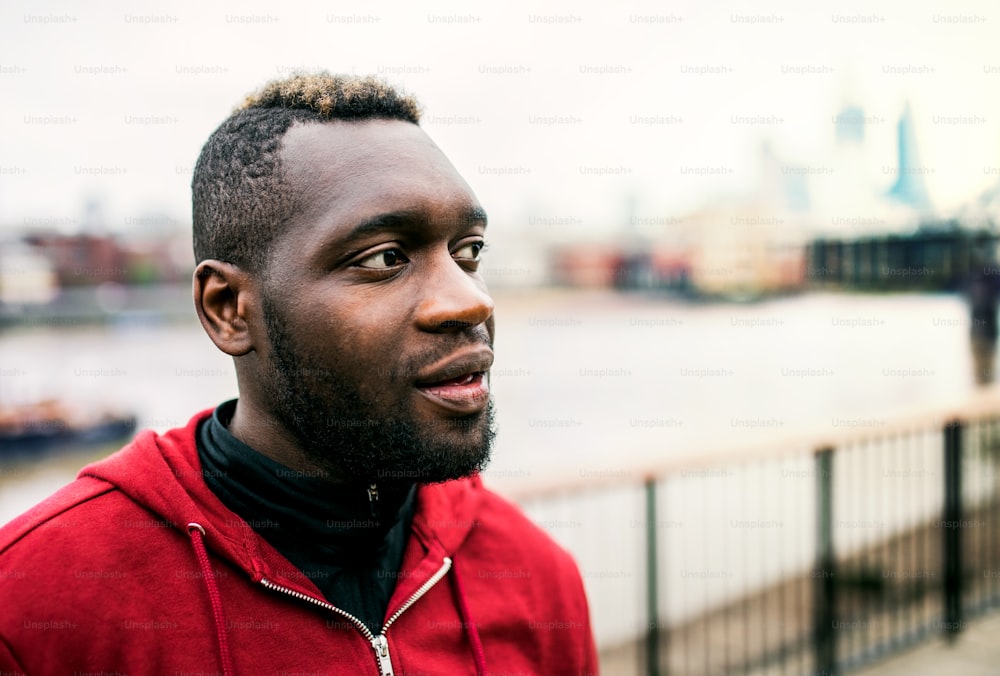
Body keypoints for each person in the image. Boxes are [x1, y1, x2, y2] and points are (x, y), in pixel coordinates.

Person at [0, 73, 598, 675]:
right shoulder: (37, 604)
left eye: (469, 252)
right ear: (229, 308)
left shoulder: (537, 578)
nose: (470, 301)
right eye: (386, 258)